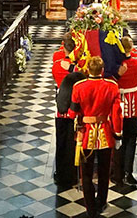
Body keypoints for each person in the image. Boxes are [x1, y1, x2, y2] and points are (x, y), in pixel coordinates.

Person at [71, 57, 123, 218]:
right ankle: (101, 201)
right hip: (105, 134)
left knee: (85, 173)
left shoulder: (79, 86)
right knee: (104, 171)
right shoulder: (111, 86)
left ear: (87, 69)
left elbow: (73, 112)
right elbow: (116, 113)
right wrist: (118, 133)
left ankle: (90, 208)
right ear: (102, 70)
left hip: (86, 134)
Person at [55, 52, 87, 188]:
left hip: (61, 115)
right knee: (69, 146)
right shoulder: (78, 82)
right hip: (70, 117)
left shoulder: (67, 82)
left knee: (61, 145)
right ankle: (71, 175)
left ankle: (61, 174)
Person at [114, 36, 137, 186]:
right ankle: (128, 172)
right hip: (132, 104)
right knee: (131, 139)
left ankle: (116, 171)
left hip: (117, 105)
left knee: (117, 139)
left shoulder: (116, 66)